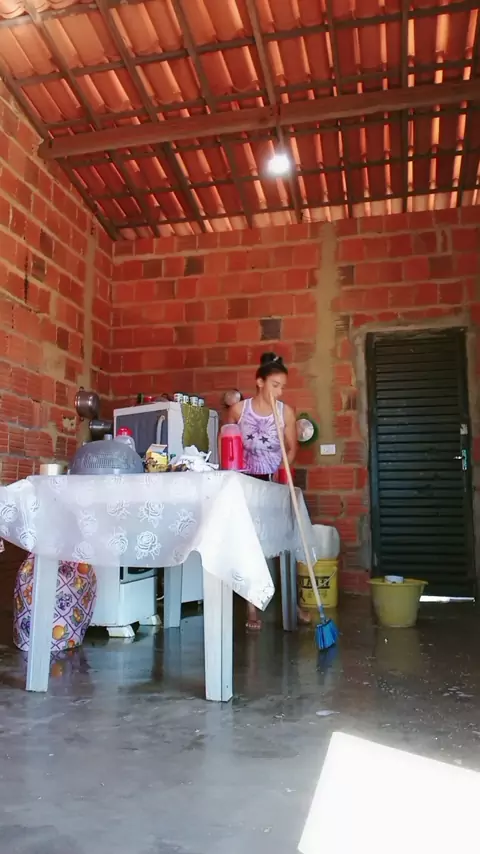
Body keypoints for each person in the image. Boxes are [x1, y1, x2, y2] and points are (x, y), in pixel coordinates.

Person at [224, 352, 309, 630]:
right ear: (260, 382)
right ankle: (252, 608)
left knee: (283, 542)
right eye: (275, 385)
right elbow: (228, 448)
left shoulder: (286, 413)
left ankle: (292, 604)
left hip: (274, 481)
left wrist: (283, 471)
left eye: (282, 386)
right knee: (251, 543)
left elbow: (292, 449)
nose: (279, 391)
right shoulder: (239, 411)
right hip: (246, 482)